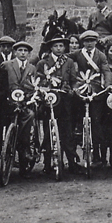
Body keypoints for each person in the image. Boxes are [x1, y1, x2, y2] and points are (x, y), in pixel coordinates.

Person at [36, 37, 80, 173]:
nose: (59, 48)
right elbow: (39, 80)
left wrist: (74, 89)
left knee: (67, 132)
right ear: (51, 48)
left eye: (61, 46)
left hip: (65, 101)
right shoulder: (43, 62)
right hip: (49, 101)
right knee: (49, 132)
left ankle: (72, 163)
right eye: (56, 46)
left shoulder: (69, 62)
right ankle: (48, 164)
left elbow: (74, 80)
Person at [73, 30, 112, 168]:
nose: (89, 44)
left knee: (96, 123)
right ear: (82, 42)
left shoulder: (101, 55)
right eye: (86, 41)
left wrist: (107, 85)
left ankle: (97, 156)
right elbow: (63, 61)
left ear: (96, 42)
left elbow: (106, 70)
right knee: (76, 121)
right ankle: (74, 154)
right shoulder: (77, 54)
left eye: (92, 41)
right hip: (81, 90)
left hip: (96, 92)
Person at [1, 41, 40, 177]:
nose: (23, 53)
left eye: (25, 51)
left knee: (29, 115)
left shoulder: (32, 68)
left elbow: (33, 85)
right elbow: (2, 83)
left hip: (25, 102)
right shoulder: (7, 65)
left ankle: (24, 157)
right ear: (15, 52)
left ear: (29, 54)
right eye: (20, 50)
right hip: (9, 102)